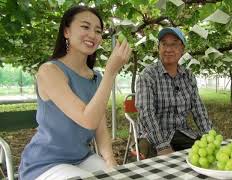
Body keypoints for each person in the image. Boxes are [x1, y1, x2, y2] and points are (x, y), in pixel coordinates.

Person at [18, 5, 132, 180]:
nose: (93, 35)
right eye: (85, 27)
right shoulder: (49, 71)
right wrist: (111, 72)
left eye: (98, 31)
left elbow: (100, 126)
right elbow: (88, 120)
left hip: (81, 157)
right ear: (66, 32)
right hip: (45, 164)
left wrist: (110, 161)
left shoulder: (96, 77)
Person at [135, 27, 213, 158]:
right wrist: (162, 146)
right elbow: (146, 113)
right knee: (156, 167)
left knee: (206, 155)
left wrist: (211, 136)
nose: (169, 49)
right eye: (164, 44)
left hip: (181, 133)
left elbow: (198, 110)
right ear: (158, 48)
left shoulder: (188, 76)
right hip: (151, 136)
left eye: (174, 44)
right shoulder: (148, 75)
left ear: (182, 49)